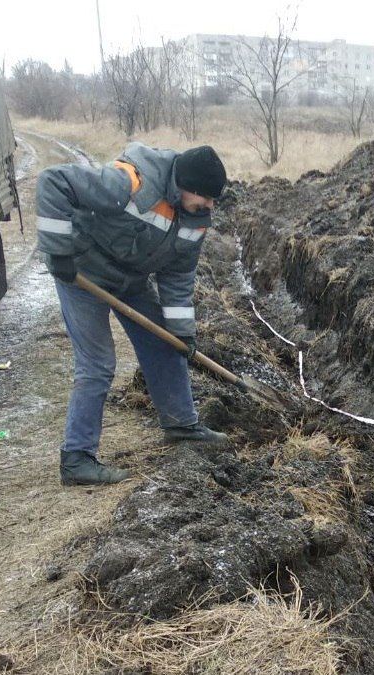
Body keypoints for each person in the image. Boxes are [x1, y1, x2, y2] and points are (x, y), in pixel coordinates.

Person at [36, 143, 232, 486]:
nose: (210, 206)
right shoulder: (131, 183)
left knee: (165, 342)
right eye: (207, 198)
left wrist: (181, 331)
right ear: (187, 186)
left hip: (130, 279)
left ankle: (181, 424)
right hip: (83, 273)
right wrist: (58, 251)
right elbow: (54, 181)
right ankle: (77, 459)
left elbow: (178, 275)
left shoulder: (196, 219)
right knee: (97, 363)